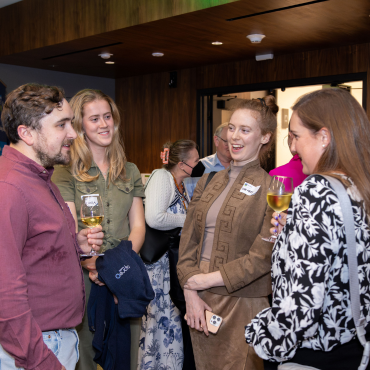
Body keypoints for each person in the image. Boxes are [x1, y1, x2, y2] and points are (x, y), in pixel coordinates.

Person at [245, 88, 370, 370]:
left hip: (313, 351)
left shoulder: (317, 189)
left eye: (297, 136)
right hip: (352, 344)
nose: (293, 147)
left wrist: (263, 337)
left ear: (324, 137)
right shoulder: (356, 186)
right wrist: (295, 231)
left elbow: (302, 298)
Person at [0, 83, 104, 370]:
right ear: (27, 133)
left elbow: (33, 248)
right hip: (36, 350)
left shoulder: (40, 177)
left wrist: (73, 245)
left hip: (53, 341)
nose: (73, 133)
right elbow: (5, 291)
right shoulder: (10, 188)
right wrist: (40, 361)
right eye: (61, 125)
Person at [177, 96, 278, 370]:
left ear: (265, 137)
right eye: (231, 128)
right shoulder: (207, 181)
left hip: (243, 305)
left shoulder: (273, 189)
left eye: (245, 130)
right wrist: (190, 293)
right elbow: (187, 242)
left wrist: (202, 281)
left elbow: (262, 258)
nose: (234, 136)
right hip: (199, 305)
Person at [52, 89, 145, 370]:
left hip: (124, 276)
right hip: (83, 277)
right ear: (80, 126)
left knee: (125, 354)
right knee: (87, 356)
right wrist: (96, 267)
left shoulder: (129, 170)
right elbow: (69, 231)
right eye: (94, 119)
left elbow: (138, 227)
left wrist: (116, 269)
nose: (104, 124)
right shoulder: (65, 172)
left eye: (108, 117)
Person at [138, 140, 199, 370]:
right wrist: (190, 220)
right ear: (183, 164)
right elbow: (154, 217)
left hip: (172, 265)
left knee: (171, 324)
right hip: (159, 266)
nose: (198, 164)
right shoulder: (162, 177)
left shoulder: (181, 185)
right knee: (160, 324)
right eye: (195, 160)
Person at [184, 122, 232, 199]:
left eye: (234, 142)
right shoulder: (198, 167)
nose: (231, 146)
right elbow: (186, 201)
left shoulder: (245, 167)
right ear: (216, 140)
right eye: (227, 142)